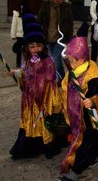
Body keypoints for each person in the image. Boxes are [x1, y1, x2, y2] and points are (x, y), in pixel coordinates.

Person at [9, 14, 67, 160]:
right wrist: (17, 73)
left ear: (43, 46)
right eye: (32, 46)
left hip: (44, 99)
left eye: (38, 46)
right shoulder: (28, 60)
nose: (35, 49)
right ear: (27, 47)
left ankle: (47, 143)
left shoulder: (48, 61)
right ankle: (31, 145)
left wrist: (43, 98)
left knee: (44, 121)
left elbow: (49, 80)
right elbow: (26, 74)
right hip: (30, 100)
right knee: (31, 121)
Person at [58, 22, 98, 181]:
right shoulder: (73, 71)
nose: (70, 65)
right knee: (91, 139)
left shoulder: (92, 75)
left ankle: (77, 170)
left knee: (85, 140)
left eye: (73, 61)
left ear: (83, 58)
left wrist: (93, 101)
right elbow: (66, 87)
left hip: (87, 117)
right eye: (70, 61)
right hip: (75, 114)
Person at [37, 0, 73, 85]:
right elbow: (39, 19)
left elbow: (70, 23)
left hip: (60, 39)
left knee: (55, 60)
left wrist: (68, 39)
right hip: (48, 38)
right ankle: (62, 77)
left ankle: (58, 80)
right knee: (53, 60)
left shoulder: (65, 7)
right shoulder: (46, 6)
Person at [10, 0, 30, 67]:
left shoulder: (17, 13)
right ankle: (25, 63)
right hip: (25, 35)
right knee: (25, 49)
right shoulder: (18, 13)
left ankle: (19, 64)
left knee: (21, 50)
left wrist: (13, 35)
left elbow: (14, 25)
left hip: (21, 35)